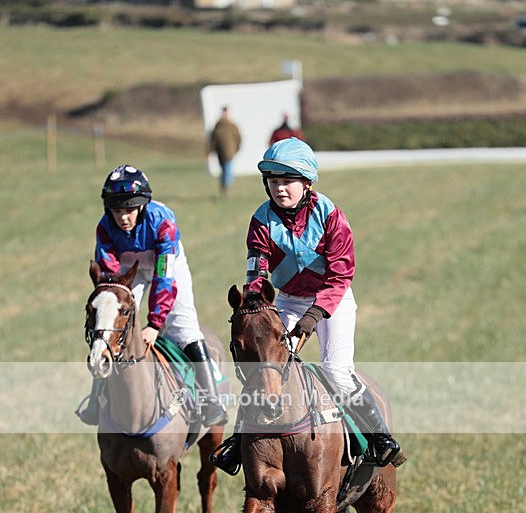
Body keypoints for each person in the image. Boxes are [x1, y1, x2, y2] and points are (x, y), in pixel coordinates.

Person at [211, 137, 406, 485]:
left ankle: (379, 438)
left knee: (337, 372)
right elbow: (256, 270)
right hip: (286, 300)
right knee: (263, 367)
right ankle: (238, 444)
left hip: (333, 300)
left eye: (286, 182)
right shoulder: (261, 220)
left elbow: (341, 274)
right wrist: (255, 305)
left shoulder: (330, 216)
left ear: (306, 182)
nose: (279, 189)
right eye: (273, 182)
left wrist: (314, 316)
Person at [77, 164, 227, 428]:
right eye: (117, 211)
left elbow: (164, 276)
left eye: (129, 210)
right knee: (108, 326)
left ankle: (211, 401)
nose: (123, 217)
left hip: (166, 266)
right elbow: (110, 276)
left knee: (185, 327)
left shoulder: (162, 221)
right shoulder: (104, 228)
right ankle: (95, 399)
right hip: (128, 271)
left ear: (142, 206)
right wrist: (112, 297)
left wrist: (156, 324)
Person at [208, 106, 242, 196]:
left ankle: (226, 189)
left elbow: (238, 139)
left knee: (227, 170)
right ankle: (224, 188)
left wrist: (235, 150)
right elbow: (213, 141)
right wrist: (209, 153)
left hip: (229, 153)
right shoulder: (218, 126)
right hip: (220, 153)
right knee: (224, 171)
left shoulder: (232, 126)